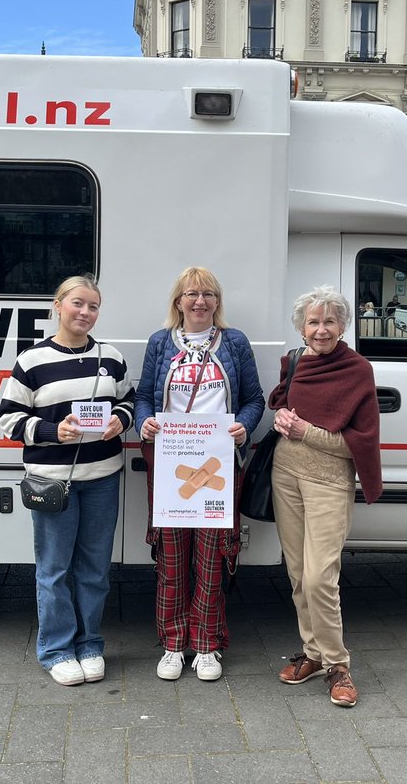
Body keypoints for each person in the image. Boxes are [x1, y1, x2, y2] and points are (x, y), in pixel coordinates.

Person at [0, 274, 135, 687]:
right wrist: (51, 431)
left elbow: (128, 400)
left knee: (94, 568)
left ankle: (90, 643)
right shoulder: (32, 360)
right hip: (53, 481)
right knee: (54, 569)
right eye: (78, 303)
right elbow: (8, 419)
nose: (86, 312)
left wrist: (120, 421)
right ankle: (56, 650)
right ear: (58, 305)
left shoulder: (110, 357)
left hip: (103, 478)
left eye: (93, 306)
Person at [135, 267, 265, 683]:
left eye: (208, 294)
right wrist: (144, 424)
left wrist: (244, 425)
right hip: (172, 464)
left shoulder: (235, 342)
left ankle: (206, 643)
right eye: (192, 293)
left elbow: (254, 398)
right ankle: (174, 643)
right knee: (171, 556)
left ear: (217, 302)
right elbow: (142, 397)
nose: (200, 301)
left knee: (212, 556)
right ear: (178, 301)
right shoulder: (160, 343)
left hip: (218, 464)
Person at [269, 286, 382, 708]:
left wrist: (306, 432)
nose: (321, 329)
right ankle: (313, 654)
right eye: (313, 322)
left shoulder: (357, 370)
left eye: (330, 321)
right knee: (299, 575)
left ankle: (338, 664)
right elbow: (281, 403)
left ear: (343, 326)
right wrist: (280, 416)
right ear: (301, 328)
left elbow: (359, 443)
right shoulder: (295, 363)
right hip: (286, 475)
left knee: (321, 578)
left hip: (329, 481)